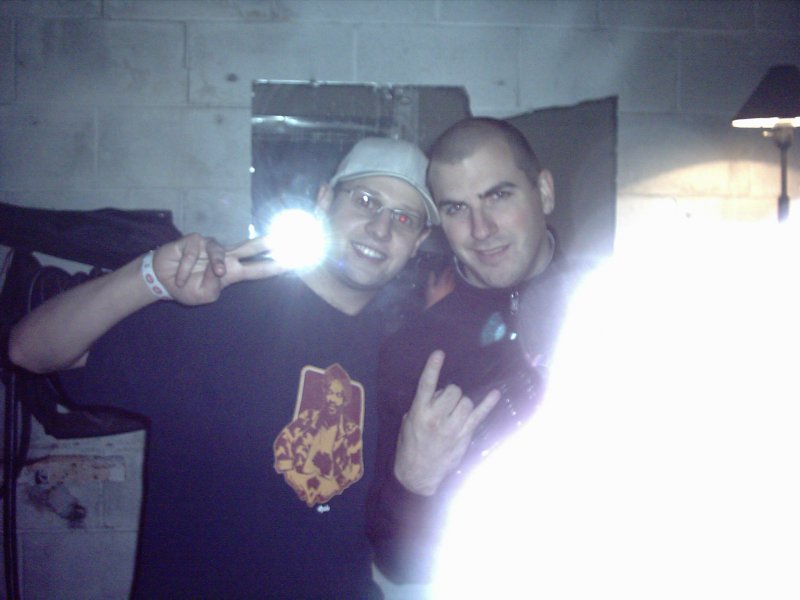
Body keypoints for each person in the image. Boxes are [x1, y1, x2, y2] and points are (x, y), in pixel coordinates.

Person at [9, 136, 437, 598]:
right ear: (324, 199)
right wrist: (148, 277)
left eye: (403, 218)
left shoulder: (405, 357)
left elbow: (399, 551)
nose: (380, 228)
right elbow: (29, 350)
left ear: (418, 242)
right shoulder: (222, 309)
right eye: (366, 201)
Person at [367, 117, 581, 583]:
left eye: (498, 196)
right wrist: (414, 482)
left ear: (544, 192)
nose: (480, 229)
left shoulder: (620, 306)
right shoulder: (413, 353)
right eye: (456, 208)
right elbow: (397, 565)